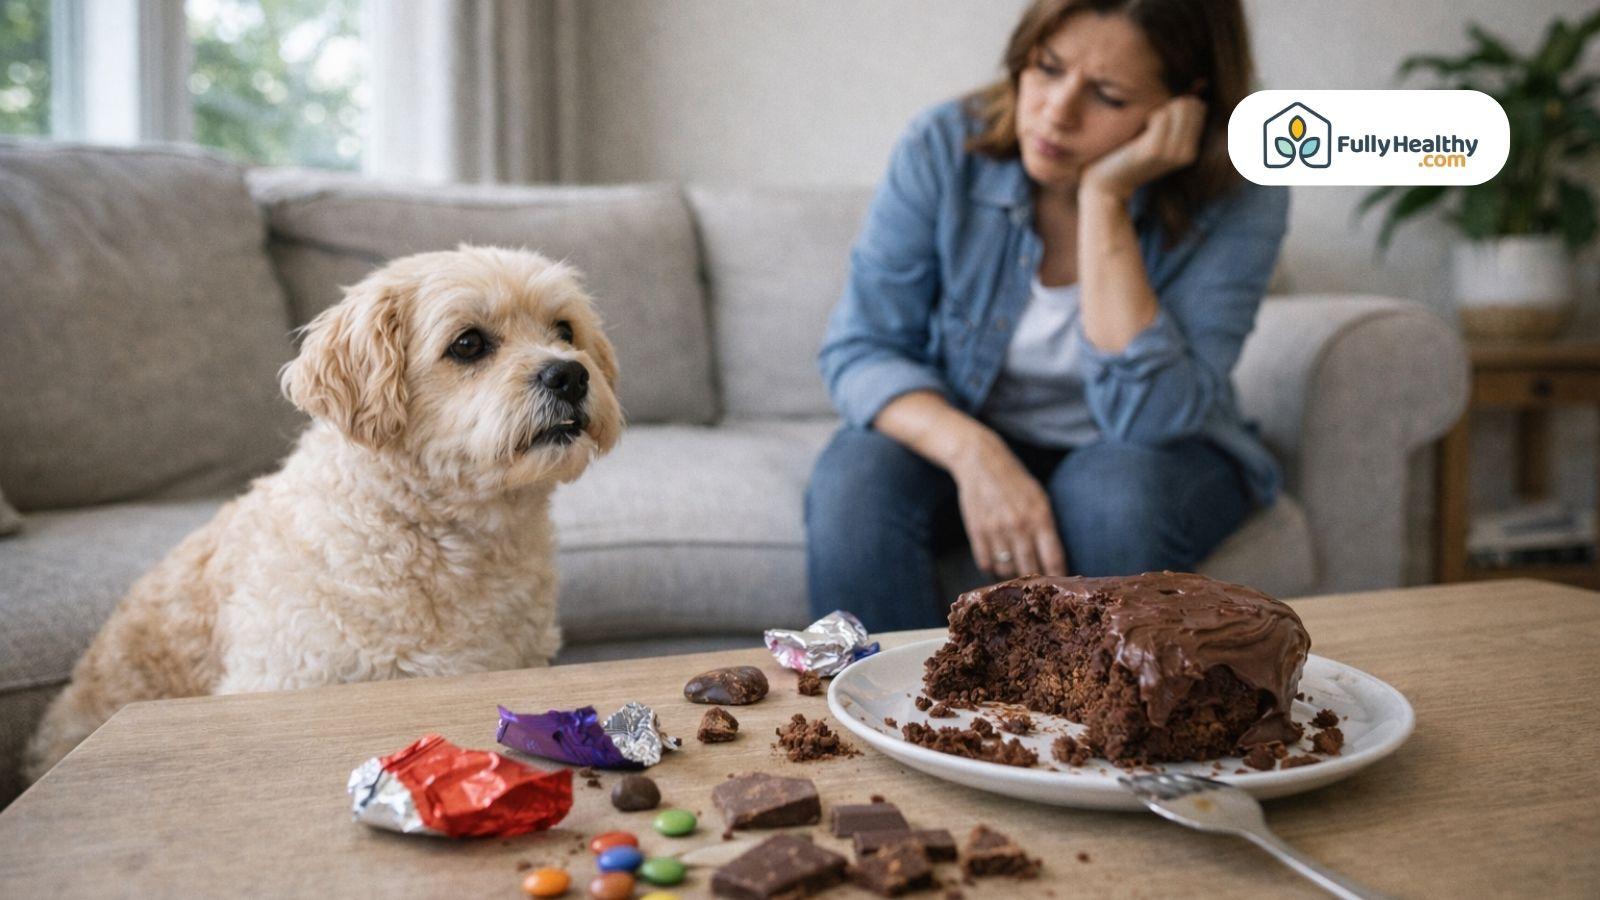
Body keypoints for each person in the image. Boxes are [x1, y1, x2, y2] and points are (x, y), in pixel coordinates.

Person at [806, 0, 1289, 631]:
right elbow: (861, 348)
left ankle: (1104, 722)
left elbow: (1148, 417)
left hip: (1154, 448)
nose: (1056, 113)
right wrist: (976, 453)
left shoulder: (1241, 188)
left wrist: (1105, 197)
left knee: (1112, 497)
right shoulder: (943, 147)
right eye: (1047, 68)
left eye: (1109, 96)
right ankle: (881, 716)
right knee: (853, 485)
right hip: (977, 422)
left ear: (1186, 101)